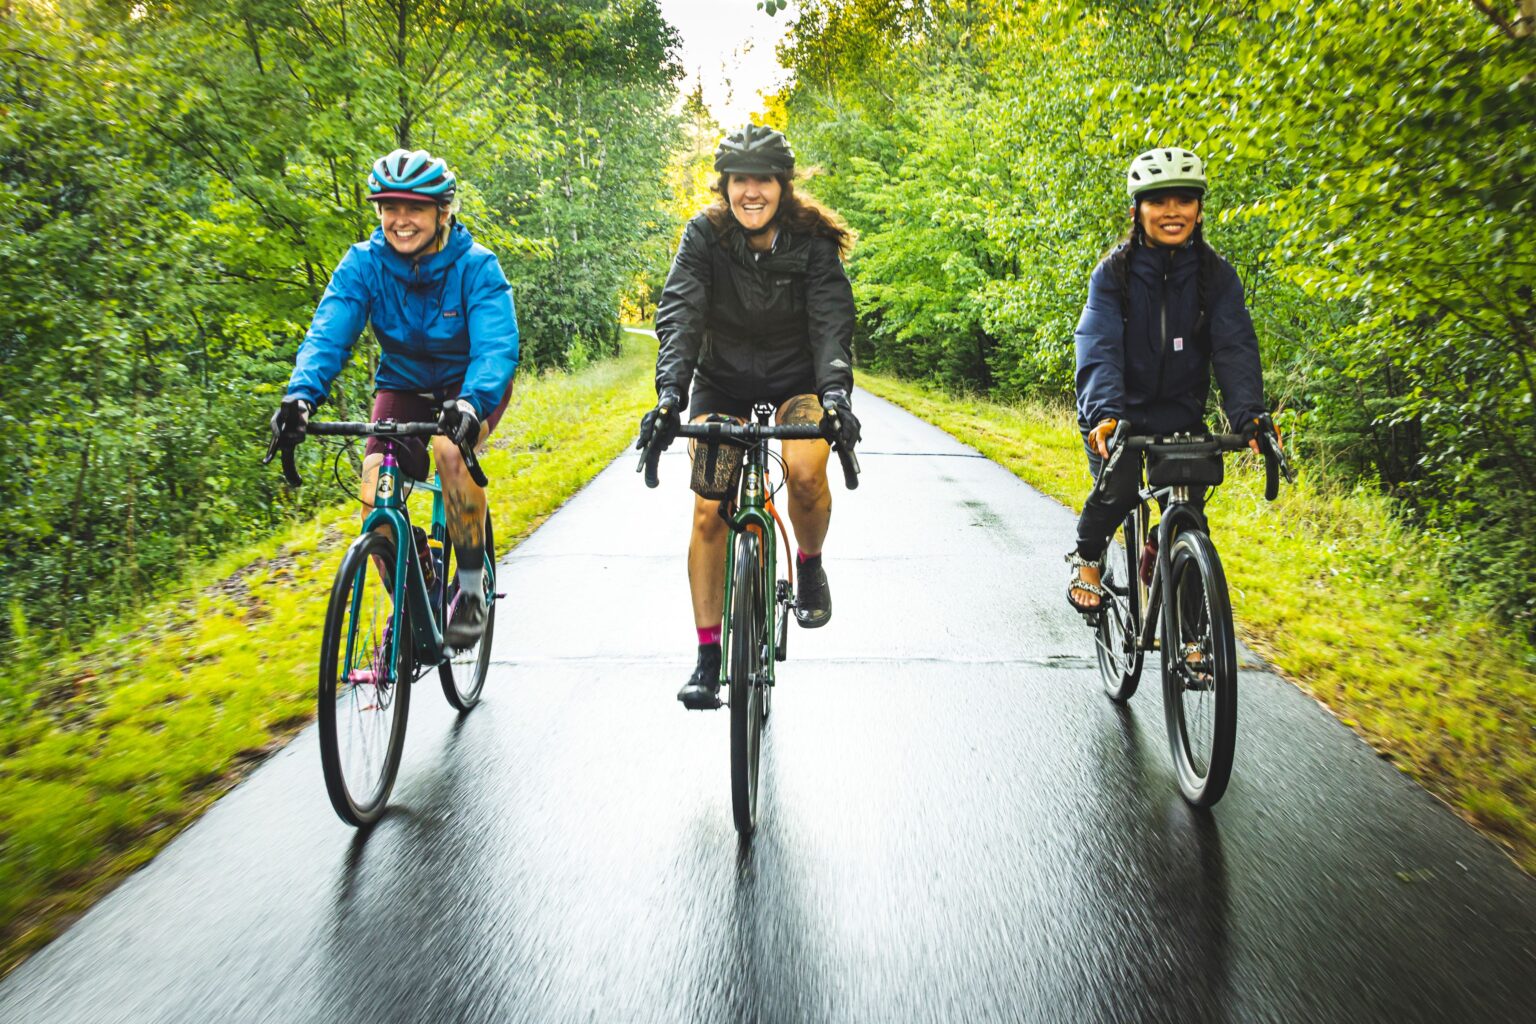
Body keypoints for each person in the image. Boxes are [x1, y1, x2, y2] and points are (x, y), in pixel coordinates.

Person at [636, 124, 861, 709]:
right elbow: (681, 314)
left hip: (797, 380)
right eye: (740, 180)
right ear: (725, 186)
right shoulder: (704, 237)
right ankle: (708, 657)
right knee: (709, 505)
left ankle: (809, 564)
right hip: (723, 382)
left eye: (763, 180)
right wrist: (669, 396)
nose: (751, 192)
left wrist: (835, 397)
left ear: (782, 186)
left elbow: (831, 323)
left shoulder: (812, 242)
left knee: (806, 471)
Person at [268, 148, 519, 648]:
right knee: (373, 492)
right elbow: (329, 332)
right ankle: (414, 600)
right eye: (389, 207)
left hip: (470, 386)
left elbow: (495, 347)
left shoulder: (477, 267)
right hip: (402, 384)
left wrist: (472, 403)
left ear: (442, 212)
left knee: (450, 452)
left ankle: (473, 588)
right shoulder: (363, 264)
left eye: (414, 208)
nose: (400, 220)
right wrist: (300, 398)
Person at [1067, 147, 1276, 613]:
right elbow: (1098, 345)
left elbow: (1234, 347)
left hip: (1179, 414)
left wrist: (1249, 416)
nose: (1171, 212)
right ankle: (1087, 557)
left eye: (1184, 200)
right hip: (1115, 414)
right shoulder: (1112, 275)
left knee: (1189, 518)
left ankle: (1193, 632)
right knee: (1119, 488)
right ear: (1136, 211)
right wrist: (1104, 413)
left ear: (1199, 211)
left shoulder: (1216, 276)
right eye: (1158, 201)